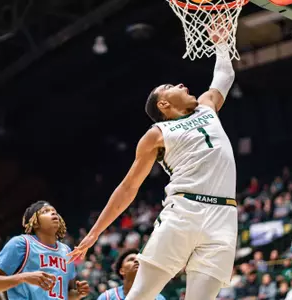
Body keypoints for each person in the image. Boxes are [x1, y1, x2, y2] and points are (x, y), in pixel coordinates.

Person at [68, 17, 237, 300]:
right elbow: (128, 187)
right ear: (164, 104)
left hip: (224, 216)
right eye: (173, 86)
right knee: (139, 297)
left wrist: (221, 42)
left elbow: (225, 74)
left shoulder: (208, 107)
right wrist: (95, 233)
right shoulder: (157, 133)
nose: (183, 83)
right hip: (184, 212)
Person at [0, 201, 90, 299]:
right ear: (35, 221)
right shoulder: (21, 243)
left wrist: (78, 294)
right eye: (45, 211)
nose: (53, 213)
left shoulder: (66, 251)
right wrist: (24, 277)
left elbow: (66, 294)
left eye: (54, 211)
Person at [97, 248, 165, 300]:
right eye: (131, 259)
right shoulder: (107, 297)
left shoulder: (158, 298)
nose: (136, 261)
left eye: (139, 260)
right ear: (122, 270)